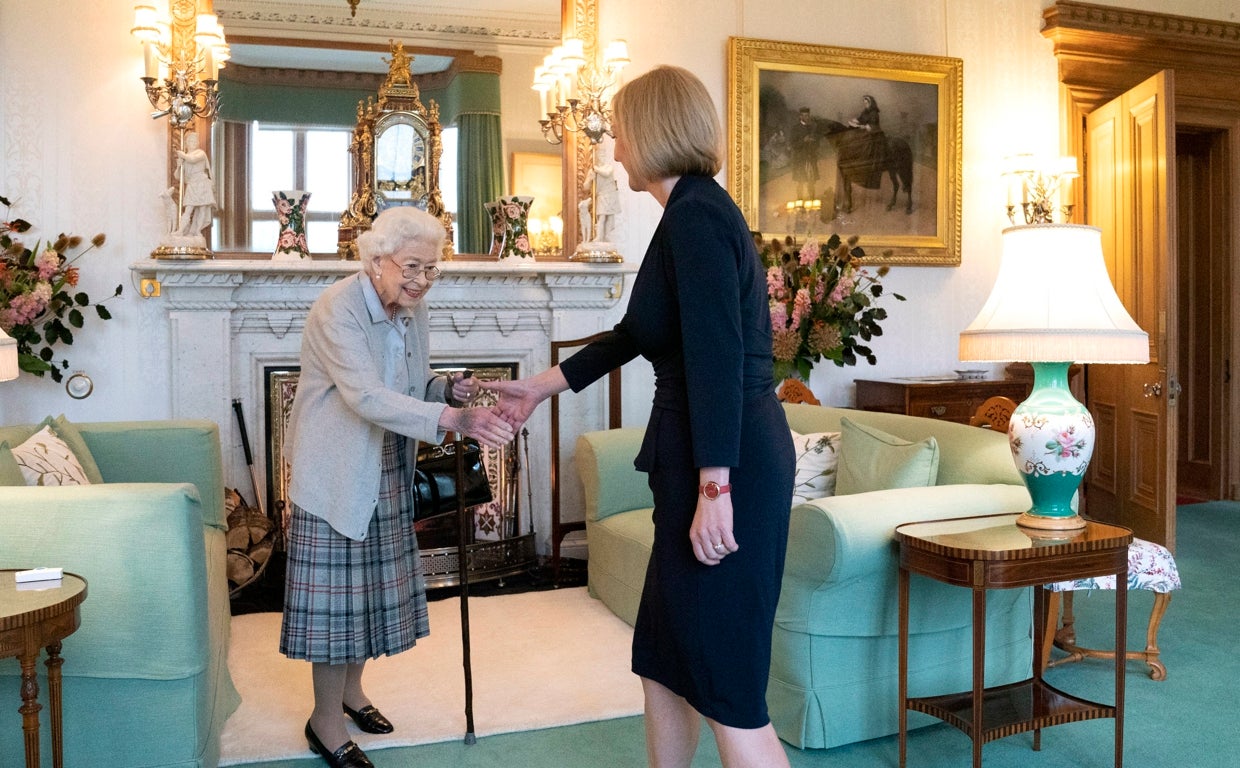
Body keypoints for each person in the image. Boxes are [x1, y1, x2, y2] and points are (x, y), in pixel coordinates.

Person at [490, 65, 794, 768]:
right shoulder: (685, 213)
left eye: (621, 130)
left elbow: (717, 359)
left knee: (727, 684)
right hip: (698, 460)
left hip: (725, 467)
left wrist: (715, 487)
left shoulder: (696, 218)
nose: (615, 146)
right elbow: (636, 333)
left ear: (654, 130)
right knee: (665, 658)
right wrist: (542, 385)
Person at [279, 206, 515, 768]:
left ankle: (353, 694)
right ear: (376, 260)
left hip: (386, 462)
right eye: (412, 266)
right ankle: (325, 722)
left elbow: (409, 383)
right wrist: (454, 422)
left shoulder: (413, 310)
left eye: (432, 269)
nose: (421, 280)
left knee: (370, 594)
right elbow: (364, 396)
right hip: (336, 469)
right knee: (338, 606)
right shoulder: (338, 309)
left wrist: (448, 388)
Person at [175, 131, 216, 237]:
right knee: (188, 209)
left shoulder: (200, 153)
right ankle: (180, 231)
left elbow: (193, 160)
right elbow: (178, 176)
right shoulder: (185, 157)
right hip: (192, 184)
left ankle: (197, 231)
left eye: (194, 140)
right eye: (190, 140)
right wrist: (179, 166)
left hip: (202, 183)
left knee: (202, 208)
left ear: (197, 143)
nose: (192, 142)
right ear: (187, 143)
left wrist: (183, 155)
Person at [583, 138, 622, 242]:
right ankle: (599, 237)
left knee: (610, 218)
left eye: (604, 155)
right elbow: (585, 187)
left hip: (610, 194)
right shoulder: (593, 171)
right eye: (600, 155)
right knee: (602, 217)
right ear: (597, 156)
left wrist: (596, 169)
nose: (602, 157)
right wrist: (590, 179)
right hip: (601, 195)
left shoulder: (607, 167)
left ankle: (606, 236)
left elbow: (606, 173)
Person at [846, 95, 885, 189]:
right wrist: (852, 121)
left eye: (867, 103)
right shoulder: (865, 111)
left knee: (866, 146)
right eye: (864, 103)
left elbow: (871, 125)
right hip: (866, 132)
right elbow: (860, 119)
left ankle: (865, 165)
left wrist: (861, 126)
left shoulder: (874, 113)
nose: (865, 104)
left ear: (871, 103)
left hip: (874, 134)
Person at [789, 106, 820, 200]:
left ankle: (812, 201)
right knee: (800, 182)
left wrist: (814, 142)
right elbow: (793, 144)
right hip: (800, 159)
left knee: (811, 182)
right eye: (805, 115)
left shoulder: (813, 127)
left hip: (810, 158)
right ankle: (800, 202)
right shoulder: (795, 128)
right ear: (800, 116)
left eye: (808, 115)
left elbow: (818, 143)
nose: (807, 117)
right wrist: (803, 140)